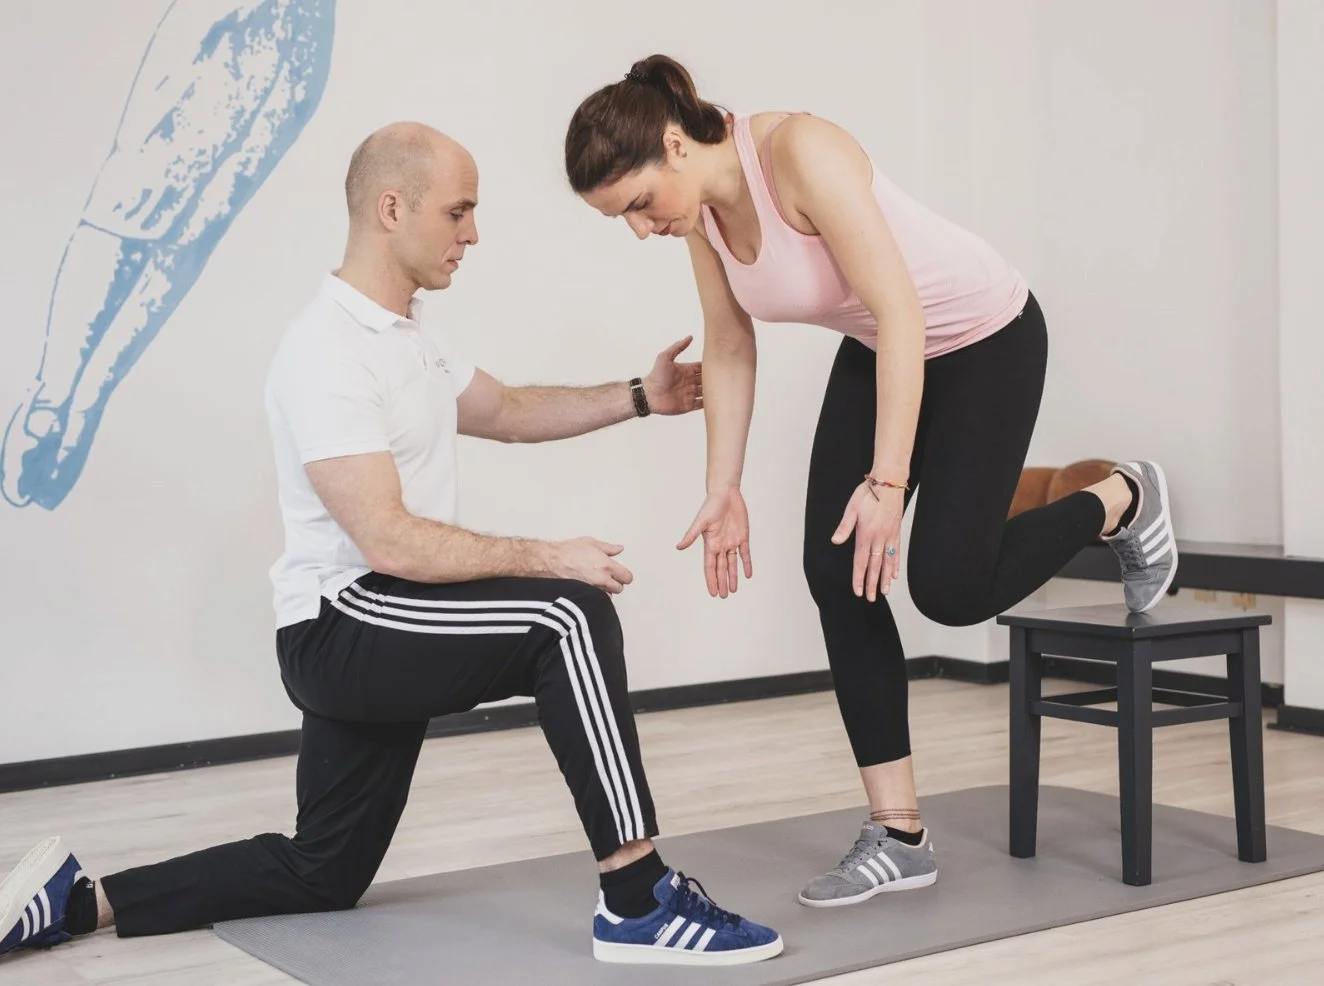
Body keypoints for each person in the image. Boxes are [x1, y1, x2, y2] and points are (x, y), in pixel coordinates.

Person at [0, 122, 784, 968]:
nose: (473, 234)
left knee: (321, 870)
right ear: (390, 208)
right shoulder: (326, 351)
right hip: (344, 626)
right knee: (569, 618)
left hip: (378, 621)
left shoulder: (407, 335)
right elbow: (389, 540)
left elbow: (509, 410)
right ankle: (638, 901)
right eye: (458, 213)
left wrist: (640, 395)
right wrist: (550, 557)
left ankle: (78, 902)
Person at [563, 55, 1178, 909]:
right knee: (834, 570)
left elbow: (902, 310)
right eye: (619, 219)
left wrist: (888, 486)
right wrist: (724, 485)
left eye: (636, 204)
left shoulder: (801, 152)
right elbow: (730, 342)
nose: (639, 229)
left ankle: (1121, 497)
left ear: (675, 145)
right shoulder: (699, 213)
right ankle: (899, 833)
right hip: (881, 349)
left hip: (982, 339)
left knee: (952, 589)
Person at [2, 0, 335, 511]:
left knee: (195, 226)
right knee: (136, 196)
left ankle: (82, 399)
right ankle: (55, 395)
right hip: (244, 18)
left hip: (307, 22)